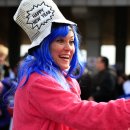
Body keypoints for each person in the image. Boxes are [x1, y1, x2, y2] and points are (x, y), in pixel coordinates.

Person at [13, 0, 130, 130]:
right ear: (44, 46)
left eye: (71, 41)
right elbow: (81, 114)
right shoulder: (38, 82)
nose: (69, 48)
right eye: (60, 41)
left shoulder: (63, 79)